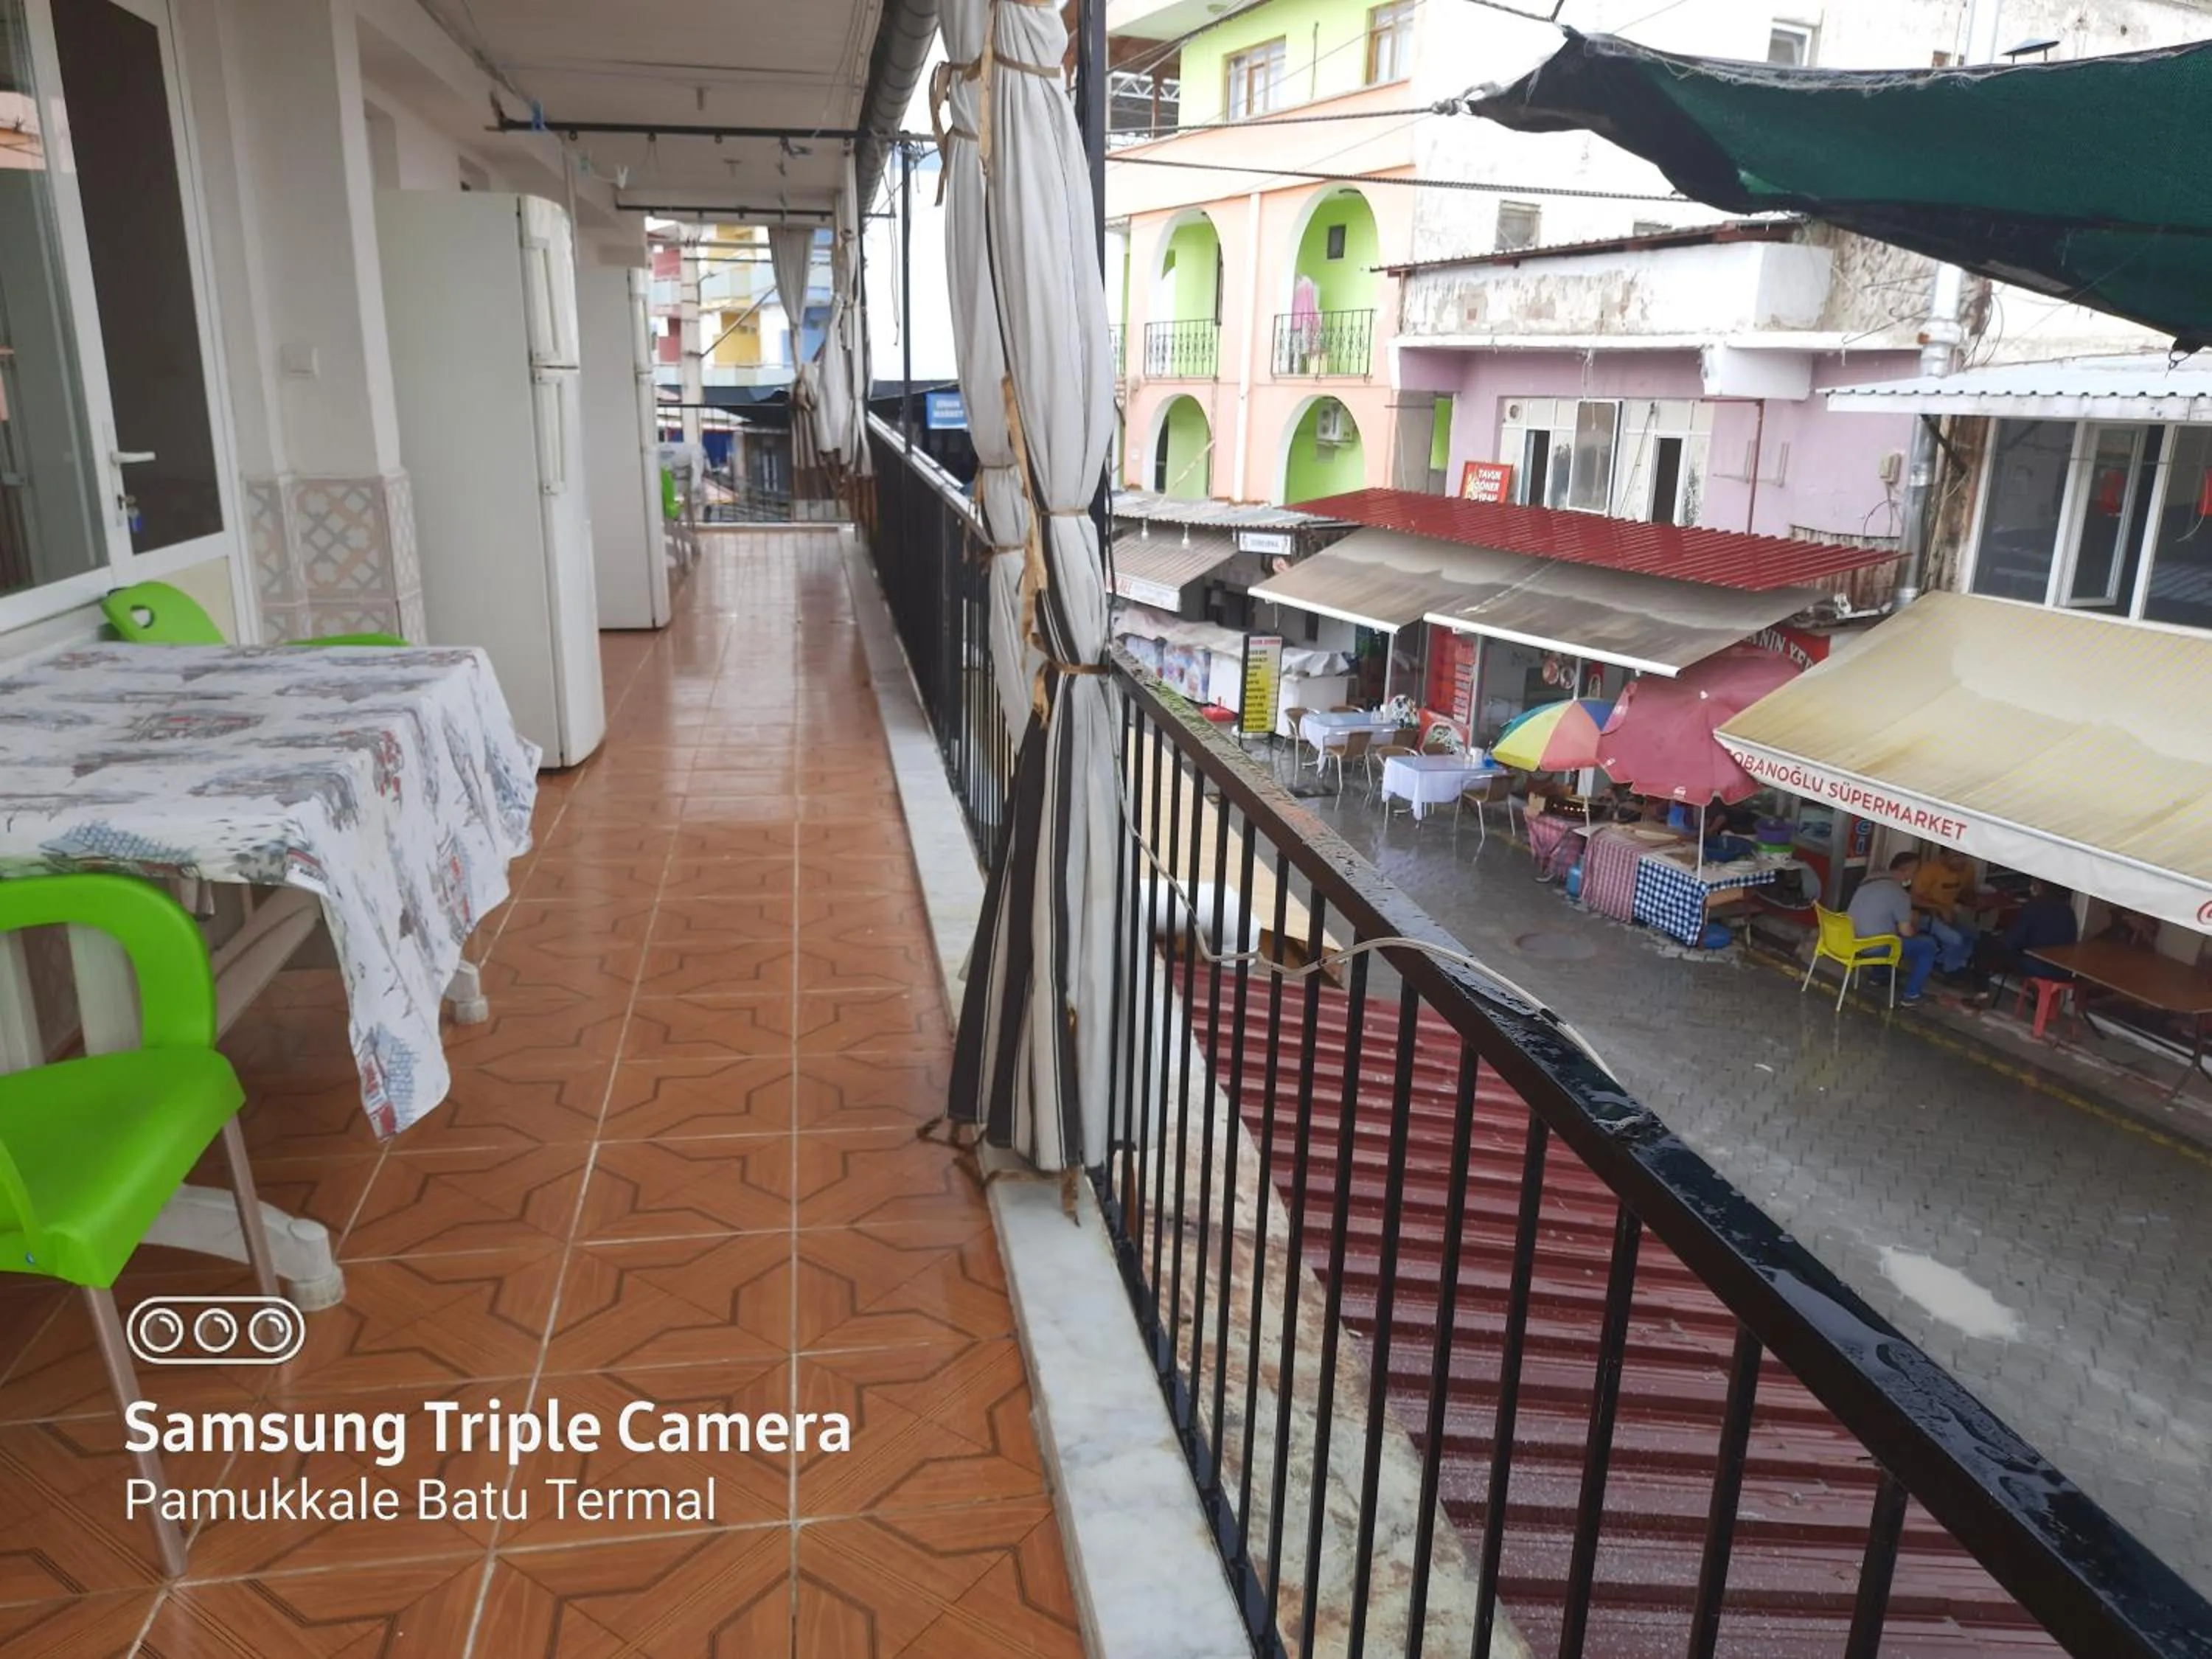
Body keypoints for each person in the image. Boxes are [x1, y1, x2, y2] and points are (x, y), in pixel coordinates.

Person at [1847, 852, 1938, 1005]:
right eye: (1916, 872)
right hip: (1872, 947)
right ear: (1907, 872)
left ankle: (1879, 976)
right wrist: (1914, 923)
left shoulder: (1870, 879)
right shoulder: (1900, 894)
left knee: (1886, 932)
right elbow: (1906, 933)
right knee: (1928, 946)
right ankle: (1912, 995)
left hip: (1849, 939)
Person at [1909, 847, 1978, 980]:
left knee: (1973, 933)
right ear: (1943, 857)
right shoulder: (1930, 869)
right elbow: (1914, 898)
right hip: (1926, 913)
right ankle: (1950, 970)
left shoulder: (1968, 869)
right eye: (1955, 856)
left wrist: (1977, 901)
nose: (1960, 860)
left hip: (1951, 912)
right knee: (1955, 938)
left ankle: (1947, 962)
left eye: (1964, 856)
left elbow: (1968, 893)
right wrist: (1940, 907)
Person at [1997, 879, 2079, 980]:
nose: (2031, 888)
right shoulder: (2068, 910)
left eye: (2034, 884)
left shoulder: (2033, 907)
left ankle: (1983, 989)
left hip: (2036, 967)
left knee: (1988, 945)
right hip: (2064, 970)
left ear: (2040, 887)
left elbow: (2012, 941)